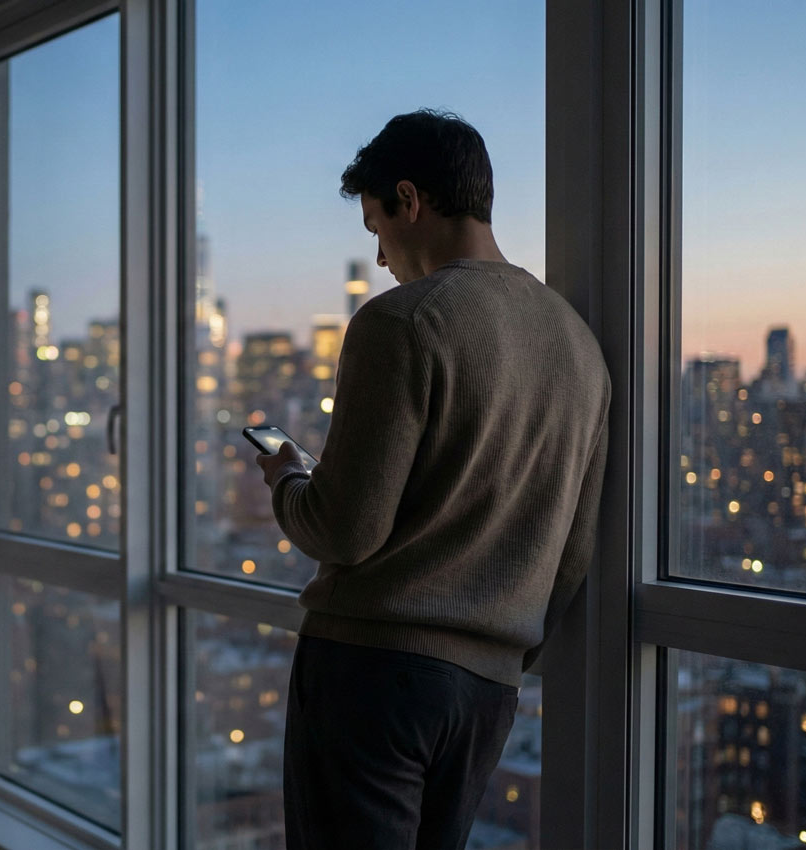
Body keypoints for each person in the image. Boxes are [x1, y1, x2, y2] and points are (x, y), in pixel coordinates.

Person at [255, 109, 611, 850]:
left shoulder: (403, 323)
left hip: (372, 677)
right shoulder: (580, 350)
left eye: (377, 227)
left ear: (411, 201)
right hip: (487, 694)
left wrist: (290, 481)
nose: (382, 258)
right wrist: (496, 652)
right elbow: (571, 555)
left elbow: (347, 530)